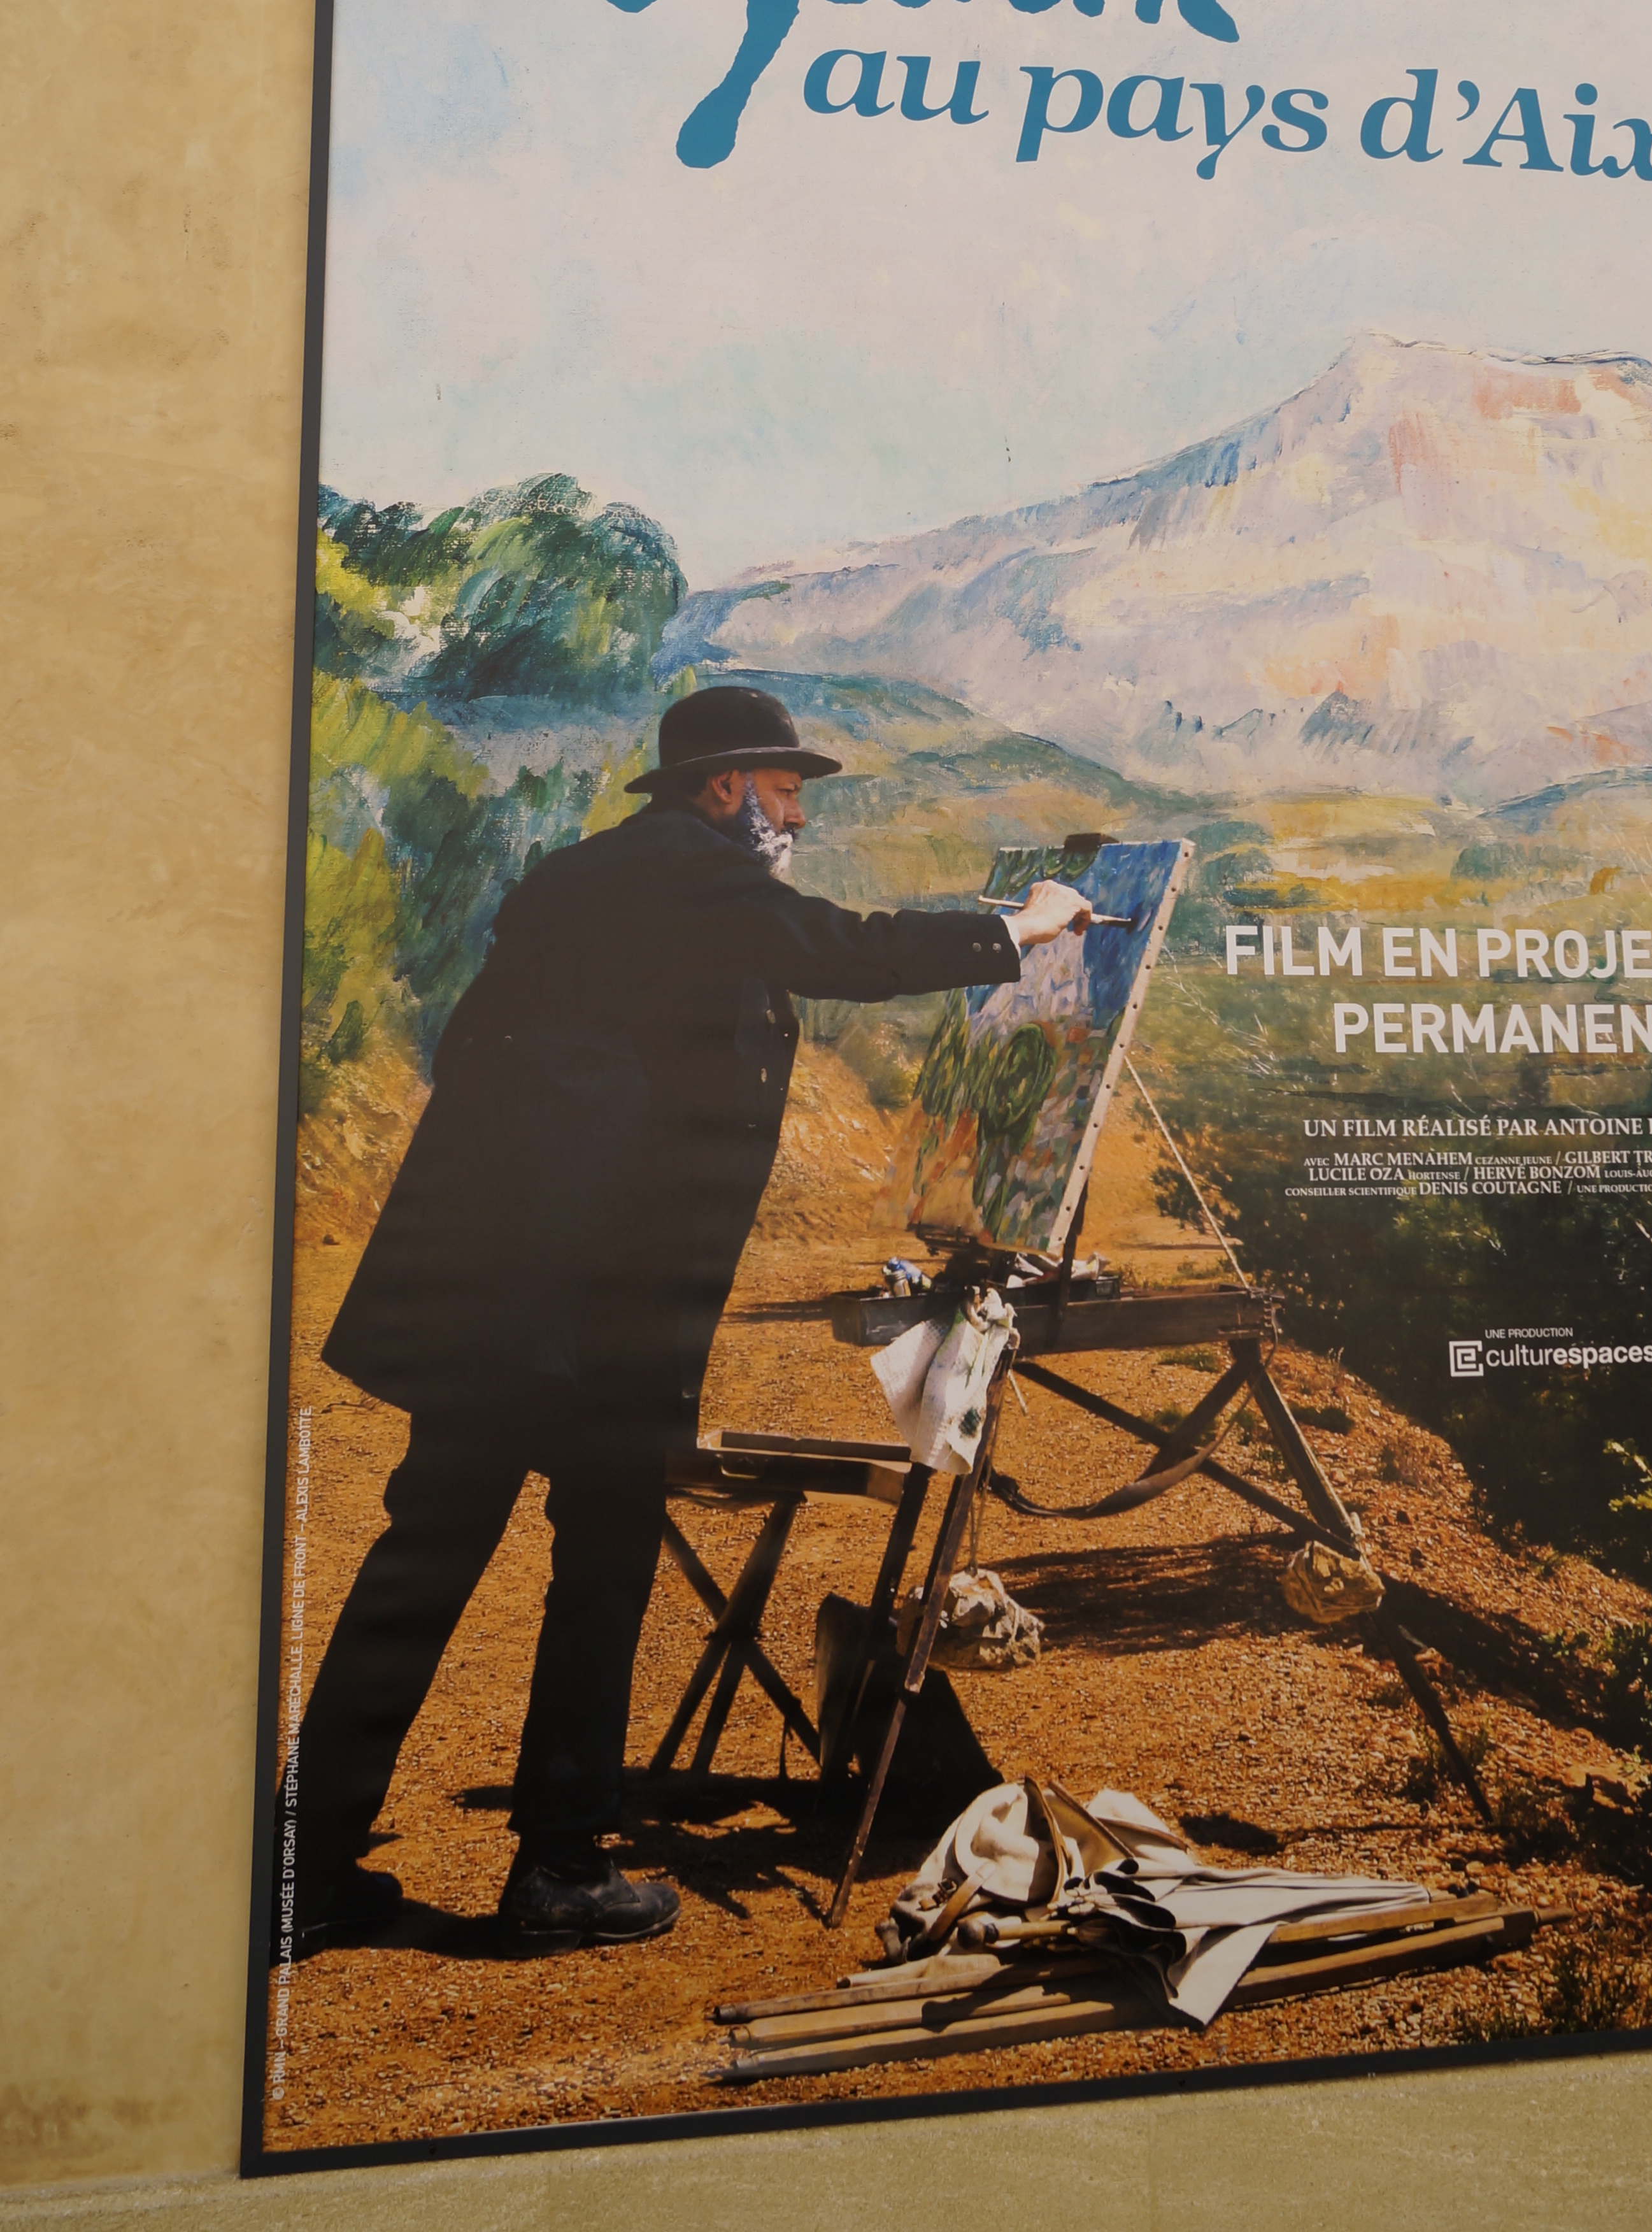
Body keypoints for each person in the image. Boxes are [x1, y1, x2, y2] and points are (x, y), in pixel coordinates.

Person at [288, 685, 1092, 1954]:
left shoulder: (578, 881)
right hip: (592, 1310)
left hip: (489, 1296)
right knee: (602, 1562)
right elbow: (850, 951)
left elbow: (475, 1048)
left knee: (421, 1560)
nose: (799, 817)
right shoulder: (687, 870)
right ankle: (559, 1868)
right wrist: (1021, 927)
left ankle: (306, 1867)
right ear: (724, 788)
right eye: (786, 790)